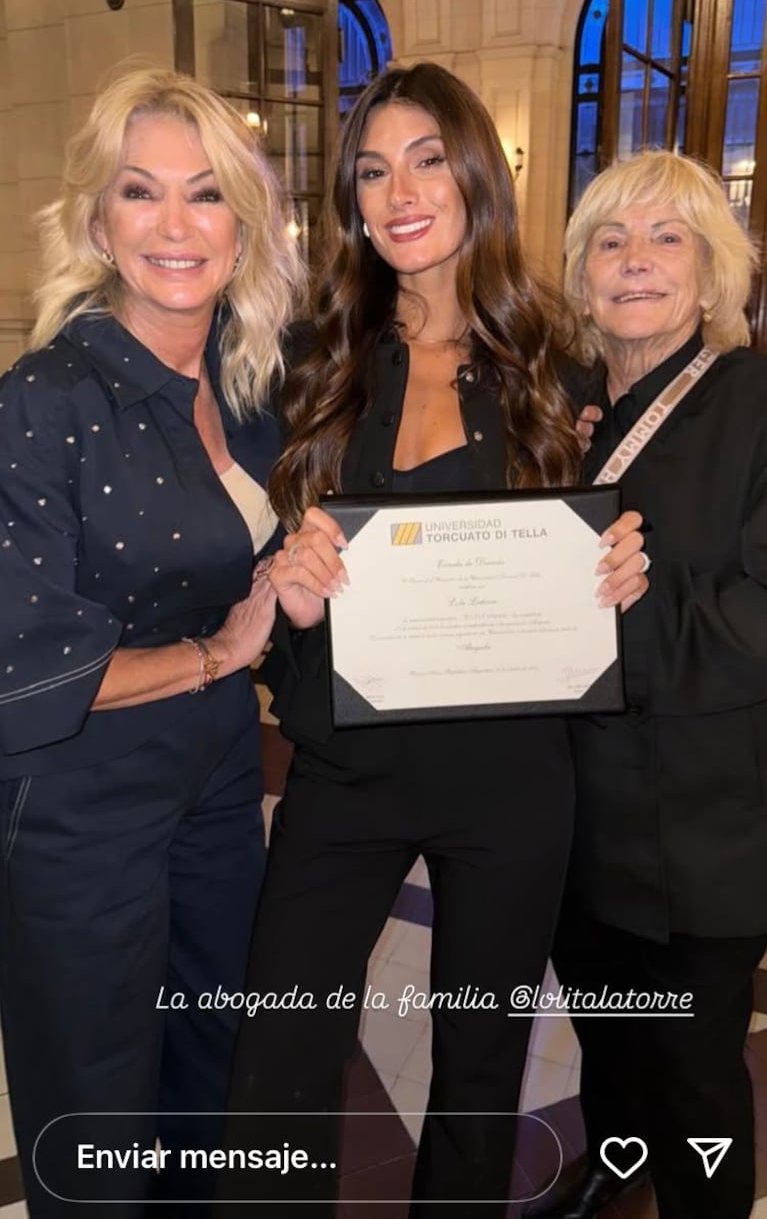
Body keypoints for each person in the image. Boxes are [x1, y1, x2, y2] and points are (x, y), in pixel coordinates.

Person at [217, 62, 648, 1218]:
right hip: (345, 764)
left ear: (472, 176)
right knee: (277, 1055)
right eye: (371, 168)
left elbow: (608, 547)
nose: (397, 190)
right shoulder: (318, 356)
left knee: (476, 1076)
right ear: (352, 198)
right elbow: (264, 547)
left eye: (422, 160)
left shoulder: (554, 362)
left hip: (510, 777)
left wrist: (618, 566)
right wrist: (289, 593)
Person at [0, 68, 303, 1215]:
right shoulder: (44, 398)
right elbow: (17, 666)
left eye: (207, 194)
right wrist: (217, 655)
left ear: (244, 222)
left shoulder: (248, 380)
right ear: (95, 220)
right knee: (96, 1107)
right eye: (141, 193)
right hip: (80, 801)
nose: (176, 226)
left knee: (208, 1074)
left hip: (218, 783)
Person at [523, 150, 767, 1219]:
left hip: (705, 818)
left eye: (667, 237)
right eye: (609, 241)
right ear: (579, 279)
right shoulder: (553, 411)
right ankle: (612, 1184)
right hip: (575, 812)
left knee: (693, 1066)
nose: (635, 262)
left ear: (714, 275)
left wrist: (644, 601)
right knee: (611, 1041)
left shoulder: (753, 402)